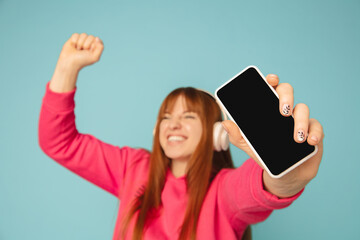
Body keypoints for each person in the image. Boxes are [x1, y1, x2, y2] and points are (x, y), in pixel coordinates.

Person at [38, 33, 324, 240]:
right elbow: (60, 142)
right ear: (156, 131)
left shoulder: (224, 192)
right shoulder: (133, 168)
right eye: (166, 117)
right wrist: (67, 68)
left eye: (188, 117)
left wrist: (290, 169)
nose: (173, 125)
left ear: (216, 134)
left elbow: (268, 184)